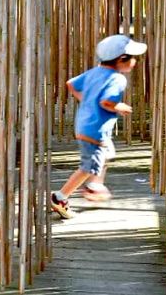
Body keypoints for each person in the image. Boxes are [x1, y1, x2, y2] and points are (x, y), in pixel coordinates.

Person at [50, 34, 147, 219]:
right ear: (122, 59)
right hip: (95, 131)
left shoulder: (94, 72)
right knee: (88, 167)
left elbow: (70, 84)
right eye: (133, 58)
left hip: (84, 126)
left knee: (107, 153)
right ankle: (61, 197)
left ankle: (94, 185)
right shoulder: (117, 79)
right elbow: (106, 102)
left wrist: (86, 100)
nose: (135, 62)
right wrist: (120, 107)